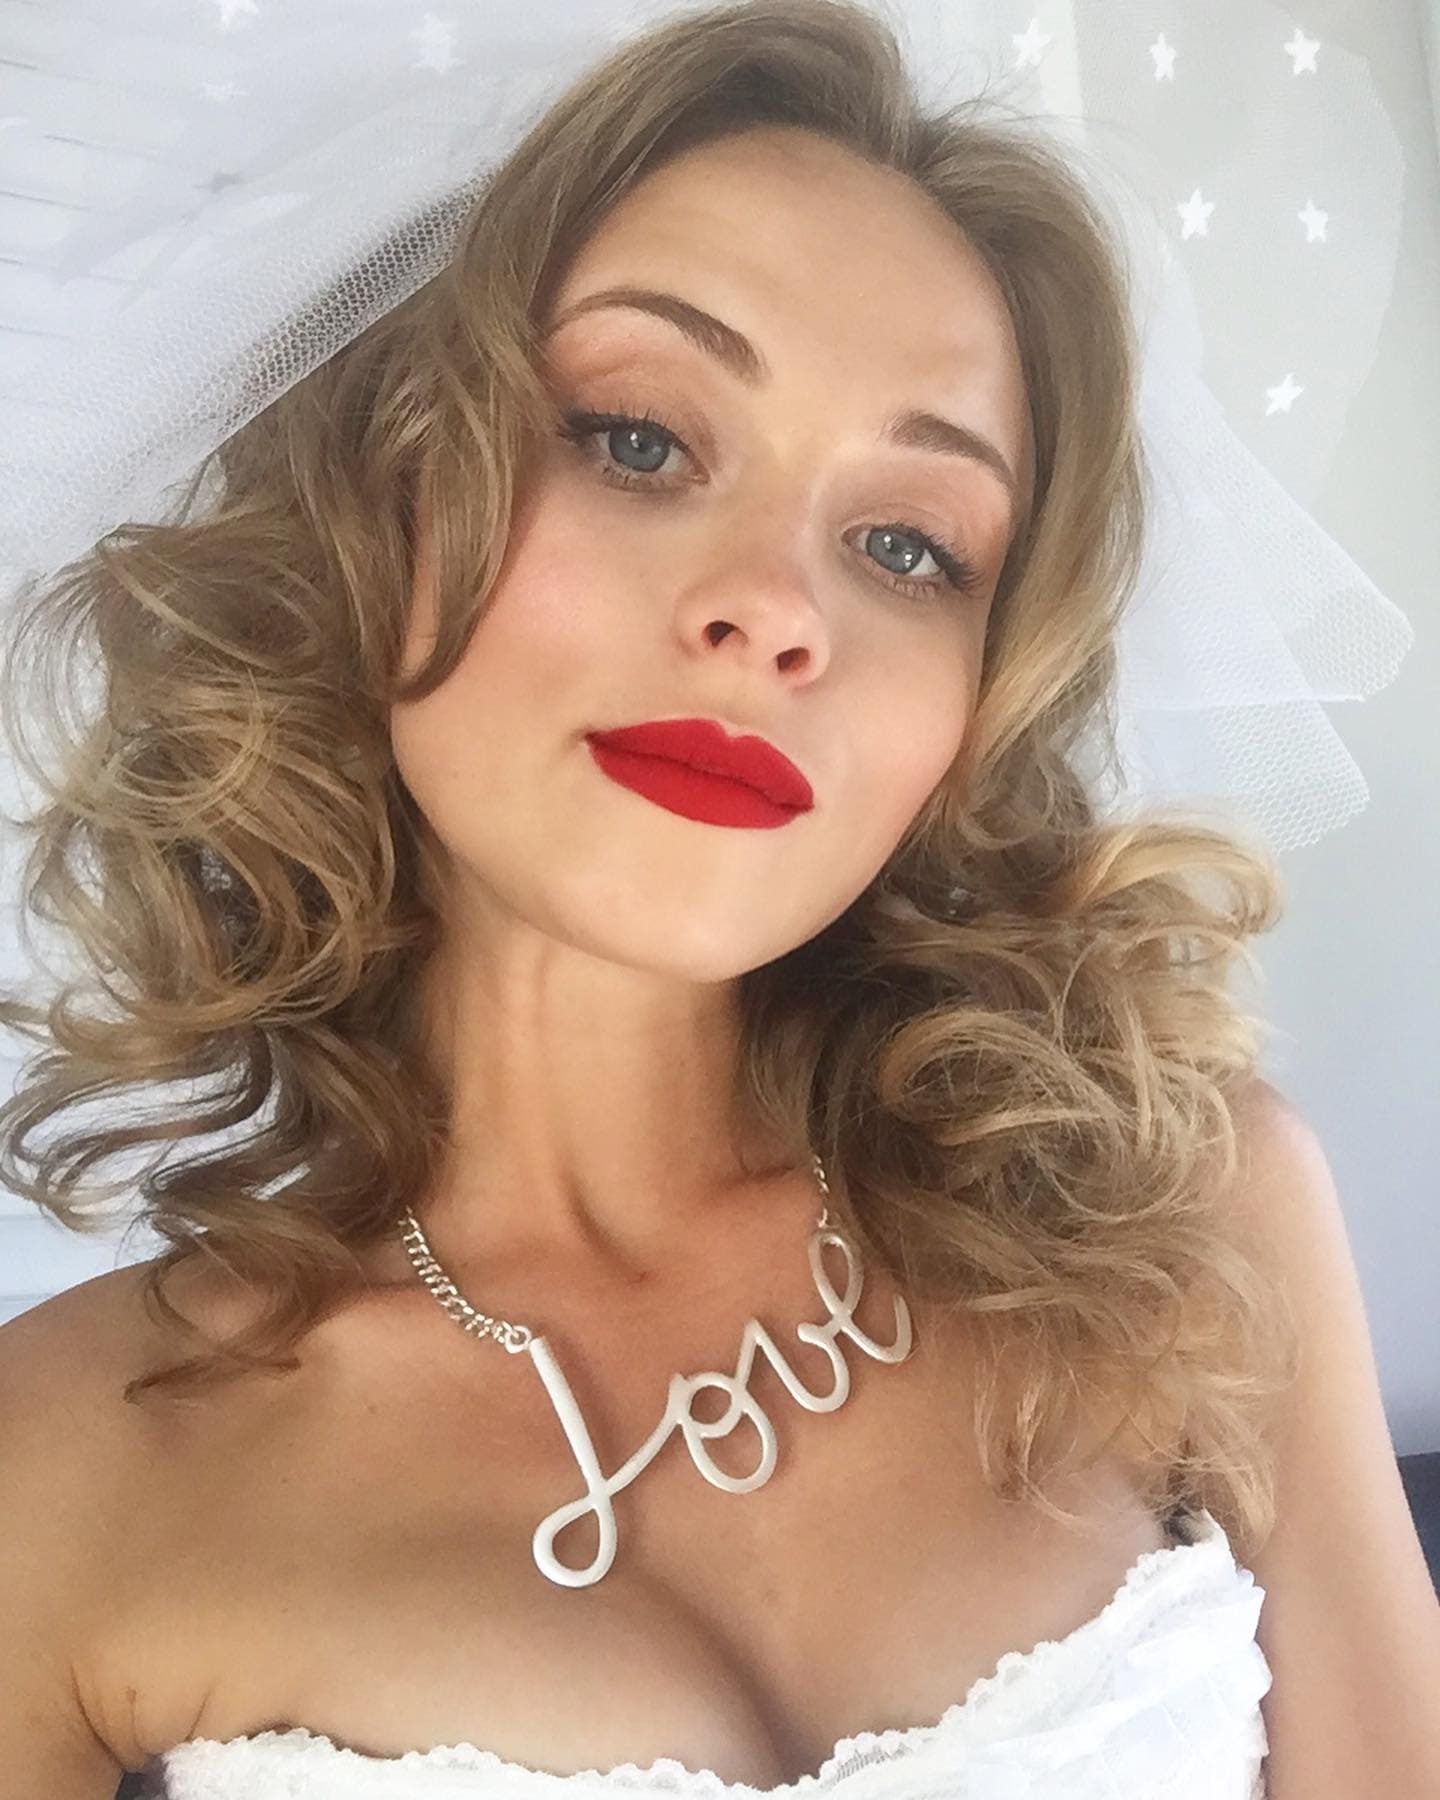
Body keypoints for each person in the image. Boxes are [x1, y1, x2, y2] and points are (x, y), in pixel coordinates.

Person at [0, 3, 1364, 1795]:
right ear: (373, 500)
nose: (779, 611)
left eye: (908, 546)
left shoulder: (1186, 1217)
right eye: (639, 438)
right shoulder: (67, 1465)